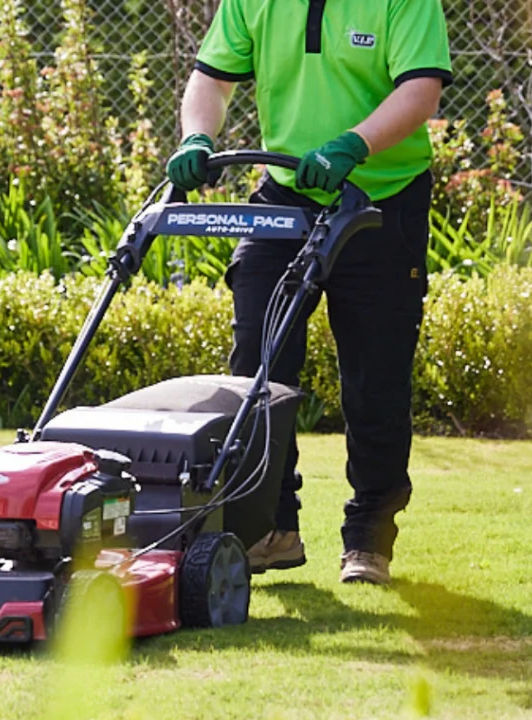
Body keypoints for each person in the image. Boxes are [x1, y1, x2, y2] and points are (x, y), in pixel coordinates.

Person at [167, 0, 452, 585]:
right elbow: (210, 80)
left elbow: (421, 91)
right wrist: (197, 137)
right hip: (288, 191)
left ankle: (369, 538)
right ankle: (270, 527)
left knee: (376, 378)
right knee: (257, 364)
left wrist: (353, 144)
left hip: (382, 197)